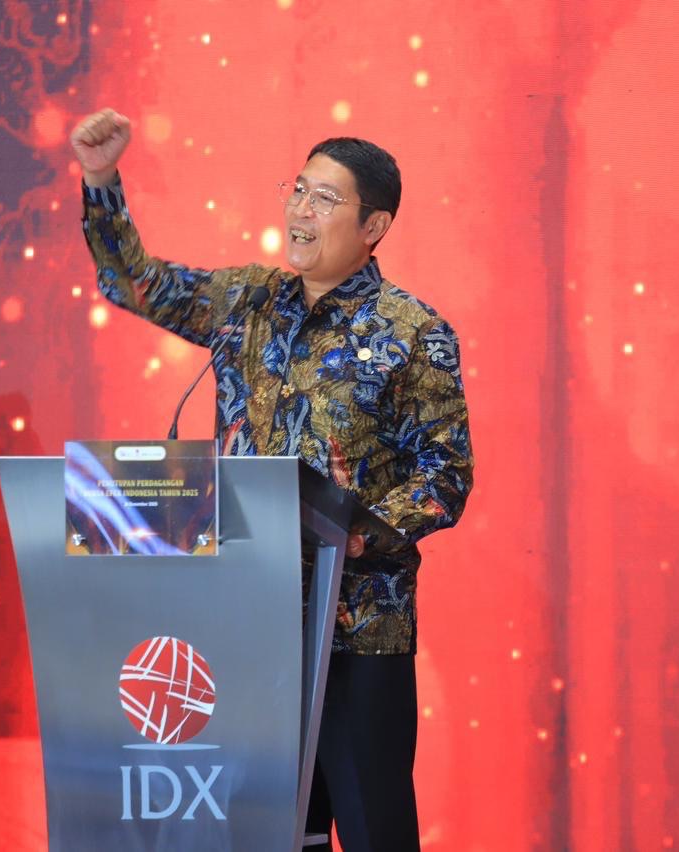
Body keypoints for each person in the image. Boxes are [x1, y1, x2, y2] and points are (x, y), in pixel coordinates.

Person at [71, 108, 473, 851]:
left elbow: (445, 472)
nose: (301, 209)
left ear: (374, 226)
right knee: (268, 833)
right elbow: (133, 282)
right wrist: (101, 180)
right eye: (298, 189)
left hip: (358, 628)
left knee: (374, 828)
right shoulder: (247, 302)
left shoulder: (413, 332)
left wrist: (362, 532)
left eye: (326, 198)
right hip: (246, 622)